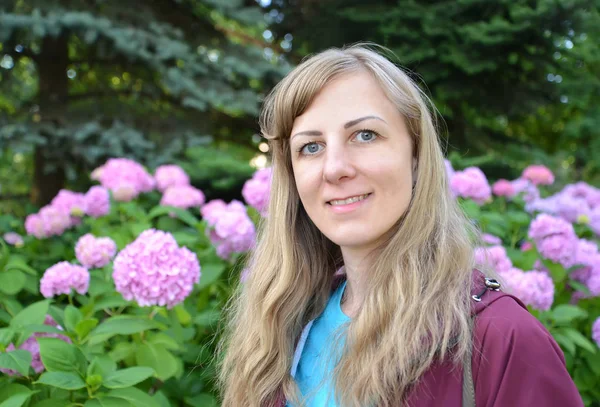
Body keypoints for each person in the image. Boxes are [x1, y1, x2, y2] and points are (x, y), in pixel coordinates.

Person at [217, 43, 583, 407]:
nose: (334, 168)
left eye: (365, 135)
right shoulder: (281, 329)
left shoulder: (503, 340)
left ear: (416, 156)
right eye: (311, 147)